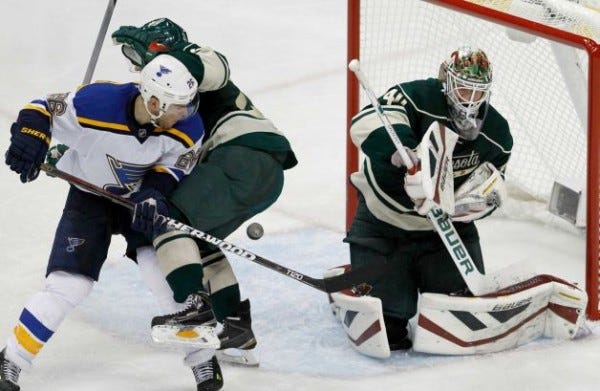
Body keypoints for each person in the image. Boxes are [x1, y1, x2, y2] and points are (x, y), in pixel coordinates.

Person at [110, 18, 298, 391]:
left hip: (241, 156)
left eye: (143, 57)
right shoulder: (171, 98)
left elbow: (215, 67)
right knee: (196, 240)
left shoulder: (193, 59)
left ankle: (193, 310)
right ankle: (235, 329)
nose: (138, 68)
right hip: (260, 170)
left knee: (168, 221)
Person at [0, 54, 205, 391]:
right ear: (154, 102)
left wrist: (155, 192)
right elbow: (42, 107)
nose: (186, 112)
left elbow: (172, 166)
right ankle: (12, 359)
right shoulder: (96, 103)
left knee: (161, 273)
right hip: (88, 197)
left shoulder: (188, 128)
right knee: (68, 284)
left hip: (139, 204)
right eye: (178, 106)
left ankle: (202, 360)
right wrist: (32, 134)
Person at [344, 46, 512, 351]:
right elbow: (366, 122)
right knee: (389, 328)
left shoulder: (498, 133)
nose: (470, 100)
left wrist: (467, 207)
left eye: (478, 92)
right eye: (463, 89)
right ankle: (372, 286)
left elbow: (493, 186)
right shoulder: (417, 96)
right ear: (445, 81)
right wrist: (399, 152)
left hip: (445, 233)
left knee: (460, 316)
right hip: (385, 224)